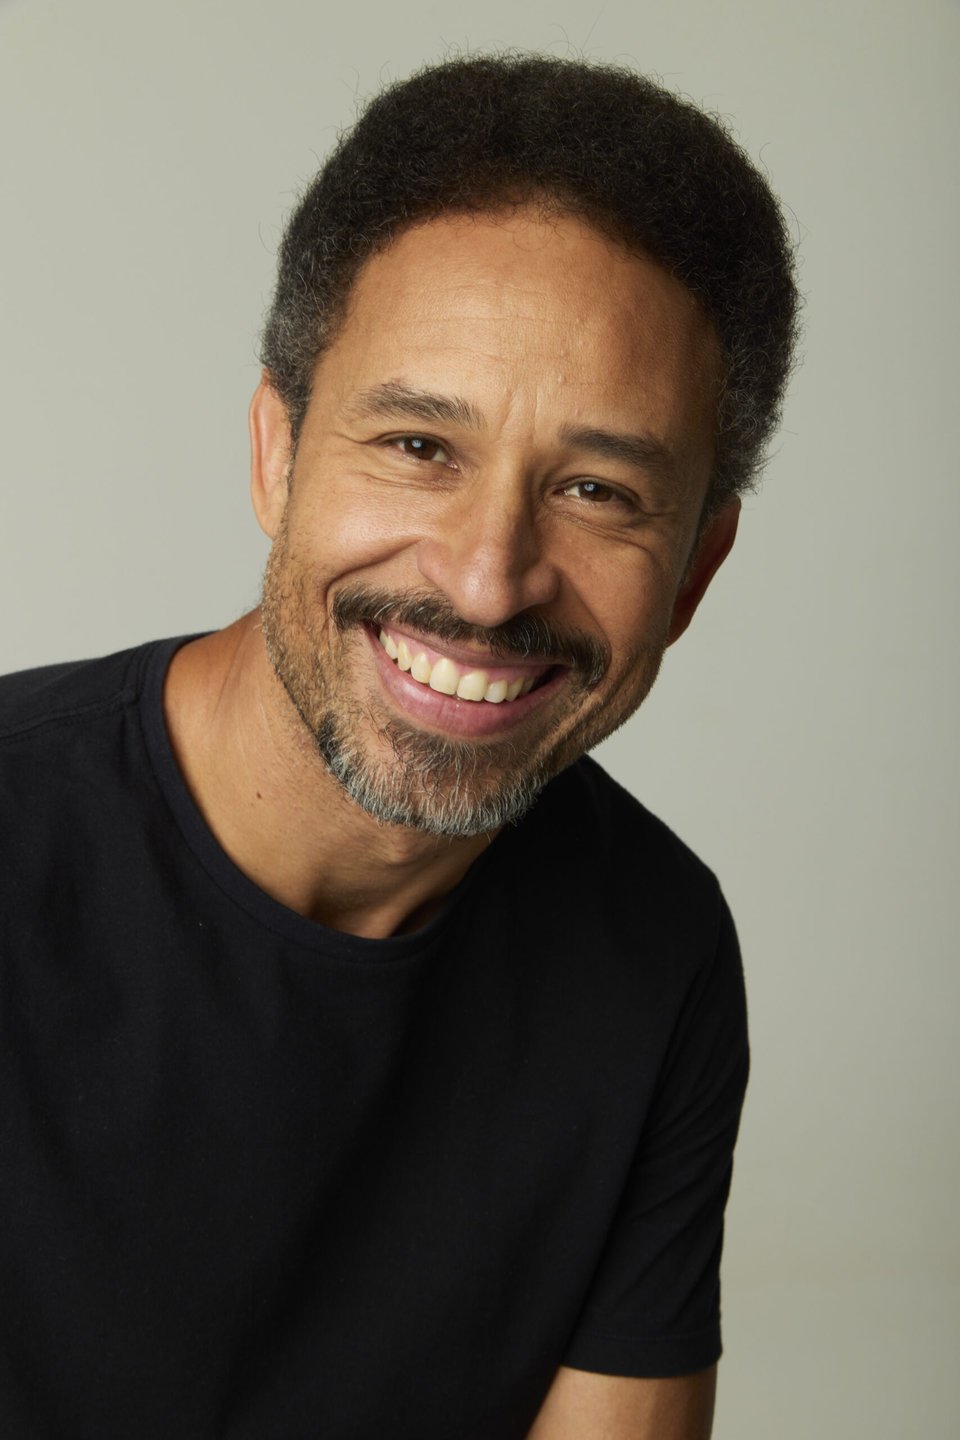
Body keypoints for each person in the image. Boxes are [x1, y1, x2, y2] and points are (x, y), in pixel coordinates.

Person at [0, 53, 797, 1440]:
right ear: (277, 452)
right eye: (421, 445)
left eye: (597, 490)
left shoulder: (655, 950)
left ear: (696, 570)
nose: (489, 581)